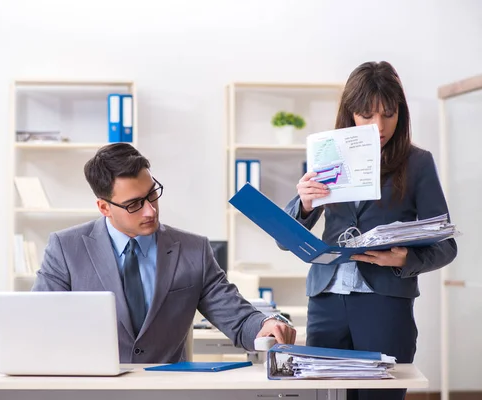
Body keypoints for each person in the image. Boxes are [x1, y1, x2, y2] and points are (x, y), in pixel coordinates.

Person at [283, 61, 457, 400]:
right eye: (367, 115)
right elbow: (284, 239)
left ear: (400, 115)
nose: (378, 126)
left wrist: (403, 258)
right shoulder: (327, 157)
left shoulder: (417, 163)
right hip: (326, 300)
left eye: (388, 114)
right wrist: (303, 204)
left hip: (385, 302)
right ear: (350, 115)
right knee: (321, 395)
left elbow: (446, 245)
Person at [32, 142, 296, 363]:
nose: (150, 211)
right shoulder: (66, 248)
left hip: (166, 389)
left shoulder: (194, 250)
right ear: (104, 207)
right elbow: (38, 323)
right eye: (134, 204)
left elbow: (237, 317)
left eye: (152, 195)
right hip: (90, 389)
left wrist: (267, 324)